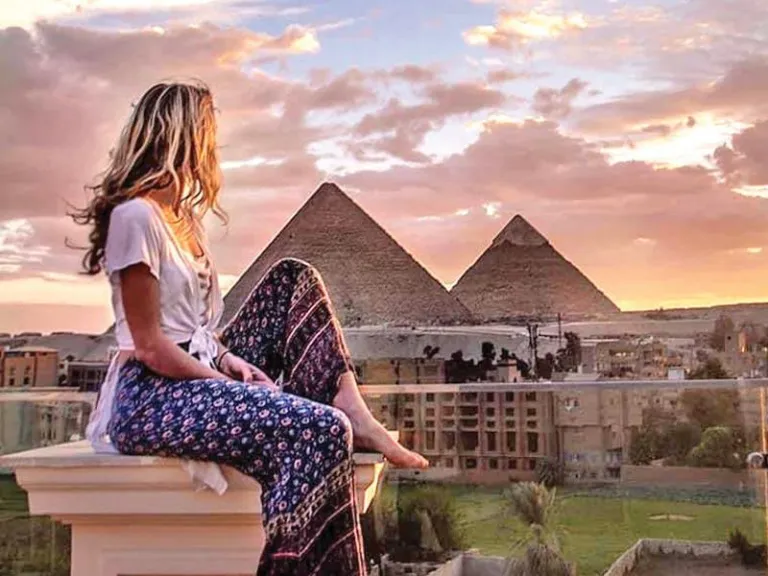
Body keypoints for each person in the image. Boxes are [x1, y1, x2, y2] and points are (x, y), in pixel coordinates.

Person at [71, 80, 428, 576]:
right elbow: (151, 346)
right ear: (184, 136)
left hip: (194, 368)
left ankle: (356, 411)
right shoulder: (136, 217)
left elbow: (194, 329)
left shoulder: (184, 222)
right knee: (320, 429)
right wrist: (223, 384)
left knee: (293, 277)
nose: (214, 148)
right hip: (152, 395)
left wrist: (228, 358)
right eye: (209, 134)